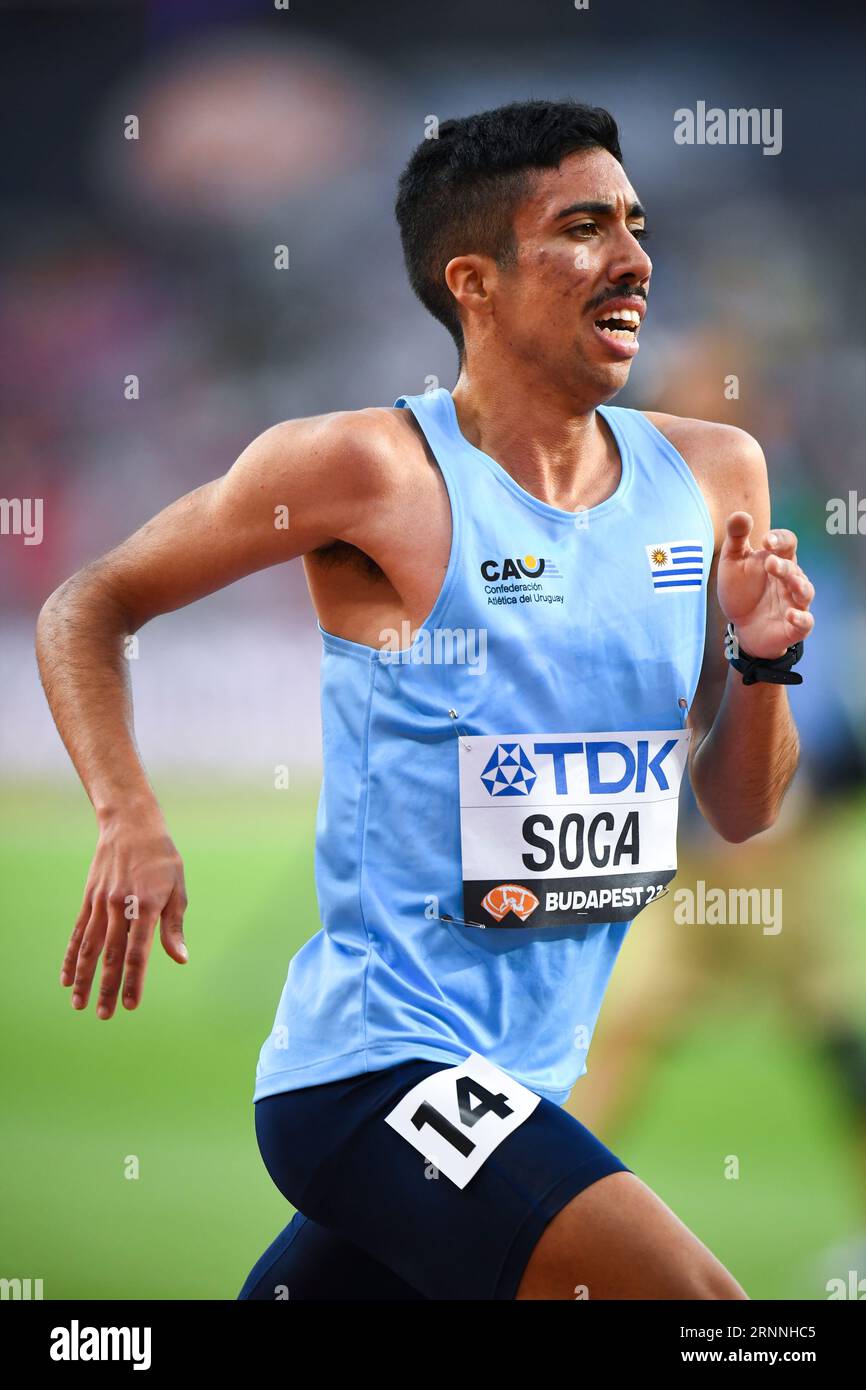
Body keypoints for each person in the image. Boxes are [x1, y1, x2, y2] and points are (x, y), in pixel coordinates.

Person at [36, 100, 815, 1300]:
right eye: (583, 227)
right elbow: (89, 602)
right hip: (373, 1073)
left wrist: (761, 664)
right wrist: (125, 812)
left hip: (523, 1082)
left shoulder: (712, 474)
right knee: (705, 1313)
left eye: (635, 223)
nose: (634, 257)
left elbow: (742, 808)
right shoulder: (365, 470)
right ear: (476, 282)